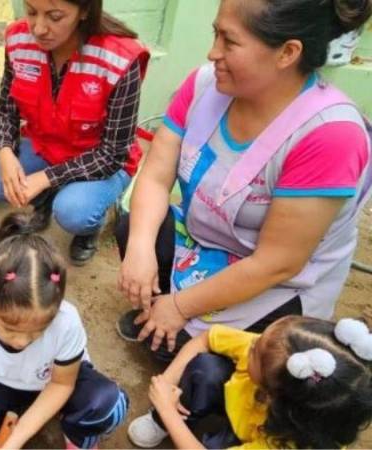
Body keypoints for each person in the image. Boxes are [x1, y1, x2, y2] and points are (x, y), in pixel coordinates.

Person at [115, 0, 372, 360]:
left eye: (229, 41)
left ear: (287, 53)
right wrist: (141, 248)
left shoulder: (329, 136)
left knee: (213, 375)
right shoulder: (205, 85)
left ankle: (175, 318)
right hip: (208, 244)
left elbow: (277, 263)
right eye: (215, 34)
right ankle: (168, 313)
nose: (213, 52)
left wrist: (179, 306)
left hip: (276, 282)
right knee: (135, 229)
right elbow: (157, 176)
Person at [0, 0, 149, 265]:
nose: (39, 28)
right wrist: (5, 152)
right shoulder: (18, 40)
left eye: (55, 17)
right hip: (47, 148)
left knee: (75, 212)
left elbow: (113, 154)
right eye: (31, 12)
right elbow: (6, 110)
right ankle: (46, 199)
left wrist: (45, 177)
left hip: (102, 162)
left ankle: (91, 227)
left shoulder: (119, 58)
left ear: (85, 12)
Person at [0, 213, 129, 449]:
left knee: (107, 404)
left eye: (39, 330)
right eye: (10, 328)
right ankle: (9, 418)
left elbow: (61, 384)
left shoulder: (66, 323)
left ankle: (74, 434)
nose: (21, 342)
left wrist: (15, 441)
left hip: (56, 384)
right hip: (4, 386)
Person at [128, 316, 372, 449]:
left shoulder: (285, 445)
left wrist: (167, 409)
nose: (251, 343)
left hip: (258, 437)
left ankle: (181, 426)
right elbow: (206, 339)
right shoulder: (279, 356)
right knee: (207, 368)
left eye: (255, 350)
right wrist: (168, 381)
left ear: (273, 396)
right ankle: (170, 422)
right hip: (249, 415)